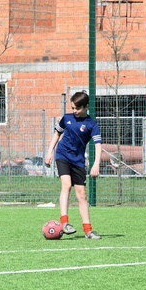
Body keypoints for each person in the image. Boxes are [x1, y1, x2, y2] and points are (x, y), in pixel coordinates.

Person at [44, 91, 103, 239]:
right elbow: (57, 133)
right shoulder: (67, 118)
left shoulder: (91, 124)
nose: (74, 111)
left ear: (86, 107)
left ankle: (88, 231)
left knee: (82, 195)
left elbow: (98, 144)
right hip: (62, 155)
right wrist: (49, 152)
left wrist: (96, 164)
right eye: (72, 108)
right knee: (66, 185)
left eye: (78, 108)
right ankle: (64, 223)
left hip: (78, 161)